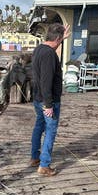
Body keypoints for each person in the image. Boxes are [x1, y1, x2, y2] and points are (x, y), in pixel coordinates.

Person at [30, 23, 70, 176]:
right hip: (47, 101)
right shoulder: (49, 55)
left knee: (38, 127)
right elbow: (46, 81)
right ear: (58, 38)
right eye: (61, 40)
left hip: (37, 98)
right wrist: (49, 105)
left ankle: (35, 157)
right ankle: (44, 165)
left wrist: (63, 39)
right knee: (50, 131)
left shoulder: (39, 49)